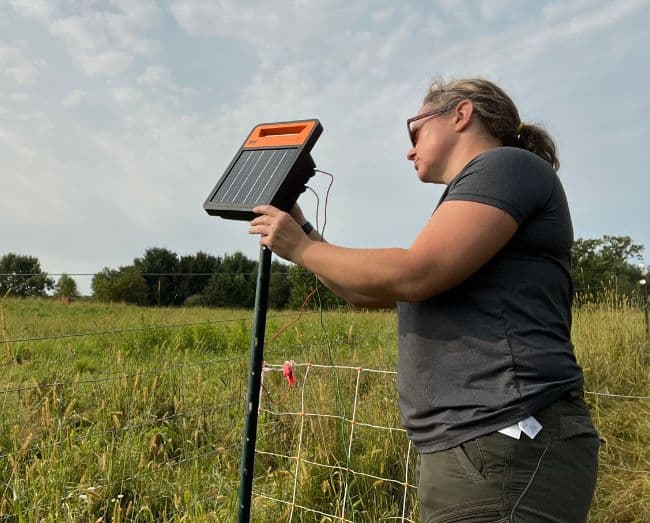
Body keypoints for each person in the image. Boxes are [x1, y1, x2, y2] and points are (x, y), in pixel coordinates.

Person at [249, 78, 599, 522]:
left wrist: (300, 248)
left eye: (414, 131)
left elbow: (417, 272)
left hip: (507, 438)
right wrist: (305, 238)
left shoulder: (507, 166)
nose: (409, 150)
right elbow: (369, 292)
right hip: (478, 444)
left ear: (461, 114)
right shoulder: (479, 191)